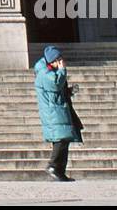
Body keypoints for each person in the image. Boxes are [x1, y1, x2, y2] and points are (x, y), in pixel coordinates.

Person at [34, 44, 83, 182]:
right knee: (60, 140)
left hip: (58, 109)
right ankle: (53, 166)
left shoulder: (49, 70)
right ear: (51, 61)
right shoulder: (44, 72)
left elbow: (56, 90)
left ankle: (60, 171)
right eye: (58, 60)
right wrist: (62, 70)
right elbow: (55, 84)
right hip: (53, 111)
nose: (60, 62)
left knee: (65, 139)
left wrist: (67, 91)